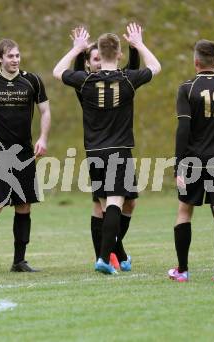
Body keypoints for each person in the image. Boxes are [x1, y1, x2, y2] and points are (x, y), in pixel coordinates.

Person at [53, 23, 161, 274]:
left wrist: (76, 49)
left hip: (94, 152)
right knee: (114, 203)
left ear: (98, 55)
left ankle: (117, 255)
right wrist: (140, 44)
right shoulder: (128, 79)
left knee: (105, 204)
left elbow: (58, 70)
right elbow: (156, 67)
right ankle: (103, 257)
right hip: (118, 150)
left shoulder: (85, 81)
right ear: (120, 54)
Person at [0, 38, 51, 273]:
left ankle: (19, 261)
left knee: (24, 205)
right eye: (10, 56)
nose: (15, 60)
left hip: (24, 153)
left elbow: (45, 110)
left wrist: (43, 138)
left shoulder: (32, 80)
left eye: (17, 55)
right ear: (0, 59)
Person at [168, 39, 214, 285]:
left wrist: (179, 164)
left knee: (184, 211)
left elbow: (183, 129)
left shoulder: (187, 88)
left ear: (196, 61)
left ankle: (183, 270)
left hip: (193, 161)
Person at [72, 32, 140, 269]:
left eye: (99, 58)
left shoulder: (116, 80)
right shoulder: (85, 84)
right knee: (109, 204)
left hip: (101, 150)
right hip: (113, 149)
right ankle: (105, 256)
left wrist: (133, 50)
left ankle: (117, 254)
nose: (99, 63)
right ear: (88, 64)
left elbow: (132, 69)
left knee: (126, 203)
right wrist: (78, 52)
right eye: (93, 60)